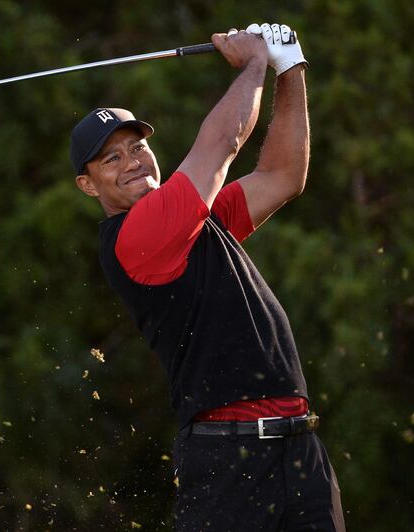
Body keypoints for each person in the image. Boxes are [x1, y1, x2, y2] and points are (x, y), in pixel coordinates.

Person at [71, 23, 345, 532]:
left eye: (136, 147)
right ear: (88, 186)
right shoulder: (138, 235)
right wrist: (255, 63)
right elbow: (222, 142)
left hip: (301, 450)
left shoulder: (197, 221)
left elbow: (284, 175)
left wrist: (291, 69)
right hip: (231, 459)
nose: (133, 162)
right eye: (112, 158)